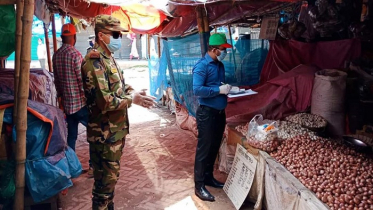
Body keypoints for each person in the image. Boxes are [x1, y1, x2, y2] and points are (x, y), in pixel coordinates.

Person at [81, 15, 156, 210]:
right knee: (103, 189)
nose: (119, 38)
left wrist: (133, 92)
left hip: (114, 133)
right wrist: (133, 100)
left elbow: (120, 87)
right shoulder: (94, 62)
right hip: (104, 136)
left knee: (110, 183)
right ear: (101, 35)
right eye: (115, 34)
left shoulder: (108, 58)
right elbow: (105, 101)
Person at [192, 33, 232, 202]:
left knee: (214, 147)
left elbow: (217, 84)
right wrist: (218, 91)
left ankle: (208, 177)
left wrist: (227, 88)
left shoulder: (219, 65)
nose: (225, 52)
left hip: (219, 114)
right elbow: (197, 90)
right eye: (223, 49)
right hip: (207, 114)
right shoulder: (201, 66)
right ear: (215, 49)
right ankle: (199, 185)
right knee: (204, 149)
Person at [52, 23, 91, 173]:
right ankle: (94, 166)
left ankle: (71, 168)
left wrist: (61, 97)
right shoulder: (75, 55)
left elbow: (57, 81)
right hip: (80, 104)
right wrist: (88, 98)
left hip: (67, 105)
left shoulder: (56, 55)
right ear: (74, 37)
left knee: (72, 137)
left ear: (62, 38)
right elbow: (82, 81)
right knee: (95, 132)